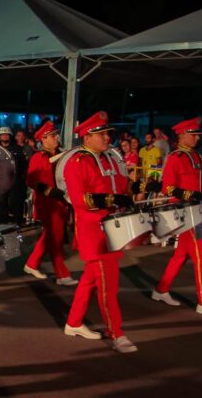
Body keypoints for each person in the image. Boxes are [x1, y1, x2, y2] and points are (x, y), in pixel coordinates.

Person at [63, 111, 139, 353]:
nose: (108, 138)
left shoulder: (107, 158)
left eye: (107, 134)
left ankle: (73, 322)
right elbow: (80, 199)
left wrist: (135, 188)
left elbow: (120, 185)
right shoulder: (78, 162)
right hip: (94, 232)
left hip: (110, 228)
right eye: (102, 134)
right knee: (108, 286)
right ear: (88, 137)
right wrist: (111, 199)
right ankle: (116, 333)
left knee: (90, 280)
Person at [151, 117, 202, 318]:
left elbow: (199, 184)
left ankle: (161, 290)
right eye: (192, 135)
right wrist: (191, 195)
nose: (196, 138)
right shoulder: (176, 158)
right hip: (186, 212)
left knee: (182, 254)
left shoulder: (196, 156)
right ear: (182, 135)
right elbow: (167, 187)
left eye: (197, 135)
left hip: (197, 210)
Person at [23, 121, 77, 286]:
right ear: (44, 139)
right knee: (56, 238)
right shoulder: (38, 157)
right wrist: (49, 191)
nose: (56, 138)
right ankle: (62, 275)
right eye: (52, 136)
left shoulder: (62, 154)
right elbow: (30, 180)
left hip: (61, 202)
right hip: (47, 203)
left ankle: (31, 264)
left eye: (56, 135)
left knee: (50, 235)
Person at [0, 126, 28, 224]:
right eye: (2, 135)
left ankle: (17, 222)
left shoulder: (17, 149)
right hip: (1, 180)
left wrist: (22, 178)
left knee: (16, 202)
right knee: (1, 203)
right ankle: (3, 223)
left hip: (15, 180)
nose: (5, 136)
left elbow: (24, 164)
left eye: (7, 134)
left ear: (10, 136)